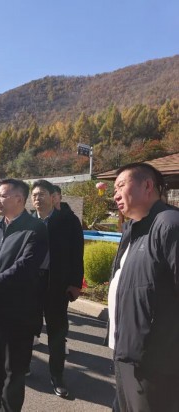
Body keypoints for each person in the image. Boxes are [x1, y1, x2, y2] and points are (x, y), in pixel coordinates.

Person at [0, 179, 48, 412]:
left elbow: (25, 266)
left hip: (17, 310)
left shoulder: (35, 229)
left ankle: (9, 407)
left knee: (14, 367)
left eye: (2, 196)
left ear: (19, 199)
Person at [109, 162, 179, 412]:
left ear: (147, 186)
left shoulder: (169, 224)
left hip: (155, 361)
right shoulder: (132, 228)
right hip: (125, 351)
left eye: (121, 186)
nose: (115, 195)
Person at [31, 180, 84, 398]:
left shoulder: (68, 221)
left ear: (53, 197)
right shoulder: (28, 220)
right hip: (30, 284)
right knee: (25, 328)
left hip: (57, 284)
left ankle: (57, 376)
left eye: (42, 194)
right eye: (34, 195)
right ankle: (22, 366)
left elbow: (77, 254)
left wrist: (75, 284)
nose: (37, 198)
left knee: (57, 333)